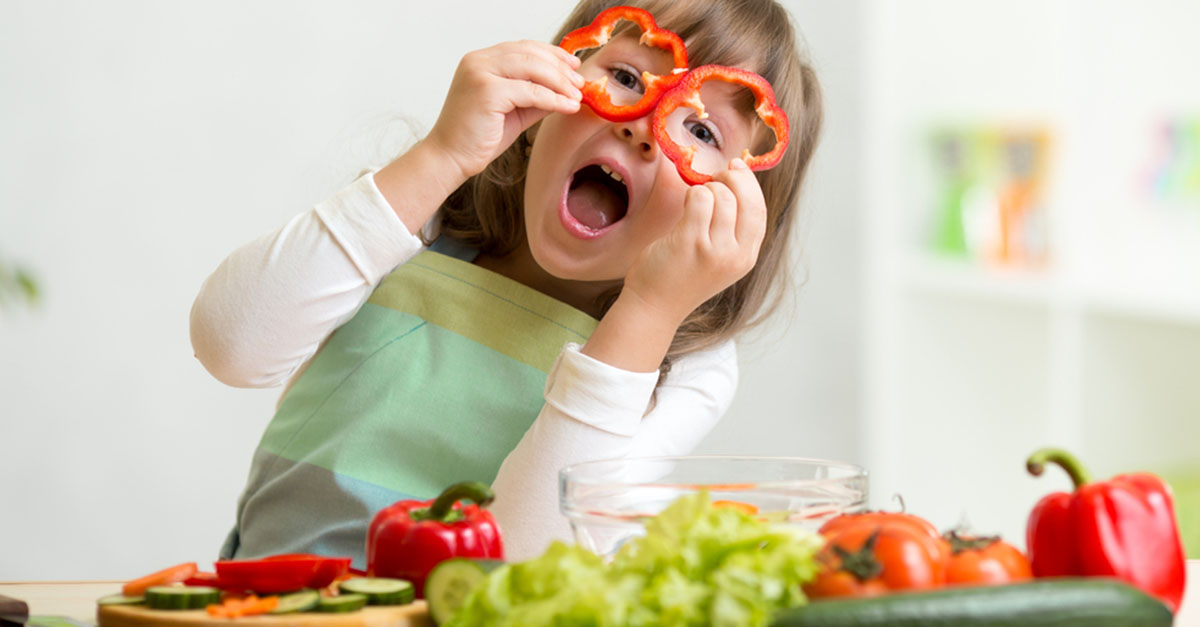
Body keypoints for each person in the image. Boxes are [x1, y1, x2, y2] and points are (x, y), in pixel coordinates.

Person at [190, 0, 824, 566]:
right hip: (262, 605)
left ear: (738, 210)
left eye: (702, 131)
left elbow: (529, 557)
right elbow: (230, 346)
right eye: (626, 77)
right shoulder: (420, 215)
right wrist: (440, 154)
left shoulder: (690, 364)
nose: (643, 126)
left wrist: (650, 311)